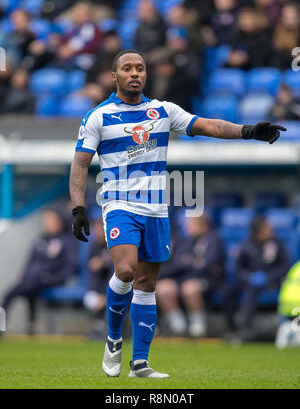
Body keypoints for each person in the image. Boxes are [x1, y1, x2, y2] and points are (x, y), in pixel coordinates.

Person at [69, 49, 286, 378]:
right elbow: (80, 164)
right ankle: (113, 338)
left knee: (146, 284)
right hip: (119, 204)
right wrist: (78, 208)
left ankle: (139, 363)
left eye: (140, 68)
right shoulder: (98, 117)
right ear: (114, 76)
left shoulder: (162, 111)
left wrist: (248, 131)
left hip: (156, 210)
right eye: (127, 68)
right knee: (126, 270)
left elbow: (208, 125)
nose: (135, 73)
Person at [0, 209, 76, 334]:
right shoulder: (40, 240)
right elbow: (30, 261)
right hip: (31, 279)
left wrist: (58, 277)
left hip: (51, 279)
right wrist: (23, 275)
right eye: (45, 219)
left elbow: (69, 265)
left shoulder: (66, 241)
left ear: (59, 222)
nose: (46, 223)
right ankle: (5, 327)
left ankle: (31, 324)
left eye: (50, 219)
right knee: (9, 294)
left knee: (30, 288)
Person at [156, 213, 225, 337]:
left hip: (208, 280)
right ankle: (178, 326)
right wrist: (192, 262)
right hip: (183, 278)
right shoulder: (186, 241)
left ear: (203, 226)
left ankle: (198, 327)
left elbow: (206, 265)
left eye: (191, 225)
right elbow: (177, 263)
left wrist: (188, 262)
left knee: (190, 288)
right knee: (163, 288)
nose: (188, 228)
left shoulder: (213, 240)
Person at [226, 216, 290, 340]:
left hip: (271, 282)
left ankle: (245, 328)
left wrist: (268, 276)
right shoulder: (245, 245)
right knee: (228, 290)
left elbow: (284, 267)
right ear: (258, 231)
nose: (271, 229)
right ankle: (232, 327)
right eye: (267, 227)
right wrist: (248, 277)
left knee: (252, 290)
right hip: (248, 281)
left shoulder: (277, 244)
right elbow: (239, 269)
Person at [83, 217, 113, 339]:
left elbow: (117, 272)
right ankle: (100, 326)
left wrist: (106, 295)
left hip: (118, 288)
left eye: (100, 228)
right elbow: (92, 273)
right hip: (99, 289)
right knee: (91, 298)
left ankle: (115, 329)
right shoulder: (95, 247)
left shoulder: (116, 246)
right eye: (95, 229)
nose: (97, 232)